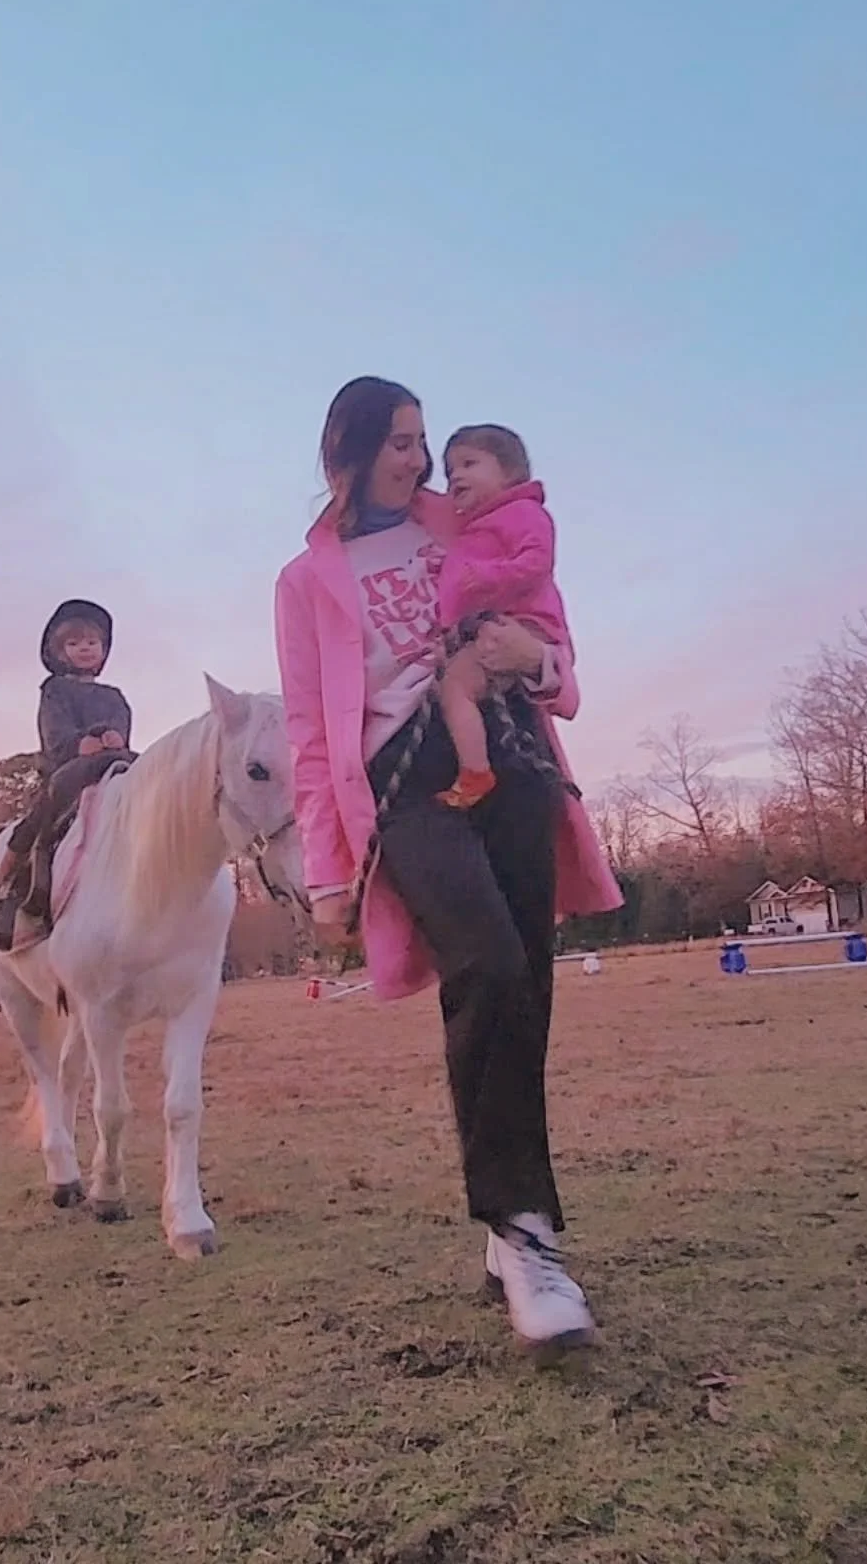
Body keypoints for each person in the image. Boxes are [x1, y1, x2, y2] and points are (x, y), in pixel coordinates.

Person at [274, 376, 623, 1361]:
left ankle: (516, 1231)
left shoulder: (463, 519)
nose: (417, 459)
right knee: (488, 962)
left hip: (508, 749)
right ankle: (521, 1232)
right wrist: (328, 868)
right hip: (404, 783)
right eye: (396, 440)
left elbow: (550, 632)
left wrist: (541, 663)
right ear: (344, 449)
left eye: (423, 439)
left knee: (526, 983)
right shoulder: (306, 582)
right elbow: (309, 727)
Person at [0, 599, 136, 950]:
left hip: (111, 764)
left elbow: (121, 729)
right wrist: (81, 743)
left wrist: (114, 739)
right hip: (68, 767)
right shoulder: (54, 691)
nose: (85, 648)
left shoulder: (115, 696)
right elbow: (55, 735)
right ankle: (2, 882)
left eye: (92, 643)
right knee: (41, 815)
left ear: (103, 650)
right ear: (60, 651)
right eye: (75, 643)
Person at [434, 423, 570, 810]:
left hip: (523, 624)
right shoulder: (475, 528)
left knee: (456, 690)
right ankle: (475, 768)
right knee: (455, 686)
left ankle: (475, 771)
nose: (455, 475)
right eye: (449, 471)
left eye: (468, 463)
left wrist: (486, 578)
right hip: (491, 627)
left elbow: (538, 562)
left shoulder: (523, 512)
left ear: (508, 472)